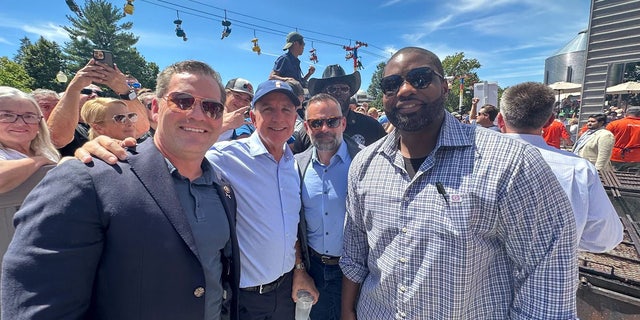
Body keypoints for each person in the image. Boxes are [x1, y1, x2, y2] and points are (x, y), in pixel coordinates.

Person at [340, 47, 578, 320]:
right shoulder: (364, 164)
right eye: (391, 85)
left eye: (420, 79)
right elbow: (355, 253)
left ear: (444, 87)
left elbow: (545, 275)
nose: (404, 90)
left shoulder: (512, 162)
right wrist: (348, 312)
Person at [1, 60, 241, 320]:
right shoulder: (86, 178)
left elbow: (219, 278)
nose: (197, 115)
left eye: (211, 107)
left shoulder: (222, 187)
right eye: (182, 101)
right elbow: (38, 307)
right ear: (156, 109)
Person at [497, 82, 623, 252]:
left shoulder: (470, 162)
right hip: (551, 270)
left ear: (499, 119)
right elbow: (604, 238)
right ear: (550, 120)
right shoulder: (579, 169)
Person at [295, 93, 362, 320]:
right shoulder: (296, 165)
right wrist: (300, 268)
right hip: (313, 270)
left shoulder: (364, 162)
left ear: (343, 123)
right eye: (316, 123)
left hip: (355, 272)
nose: (325, 128)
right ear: (306, 126)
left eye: (332, 121)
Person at [48, 59, 149, 157]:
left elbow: (143, 127)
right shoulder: (73, 129)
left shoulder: (118, 118)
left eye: (99, 93)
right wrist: (74, 87)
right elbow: (55, 138)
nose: (94, 95)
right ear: (97, 127)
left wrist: (124, 90)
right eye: (86, 91)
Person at [293, 65, 385, 152]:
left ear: (350, 93)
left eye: (344, 89)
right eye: (332, 89)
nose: (338, 93)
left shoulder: (371, 126)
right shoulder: (309, 130)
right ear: (322, 94)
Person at [0, 86, 59, 193]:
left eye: (29, 116)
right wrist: (41, 161)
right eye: (7, 115)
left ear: (39, 123)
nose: (20, 123)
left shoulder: (46, 151)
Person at [607, 105, 640, 171]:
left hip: (615, 156)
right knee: (632, 179)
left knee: (614, 178)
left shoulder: (614, 124)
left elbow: (605, 140)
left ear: (626, 113)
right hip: (636, 158)